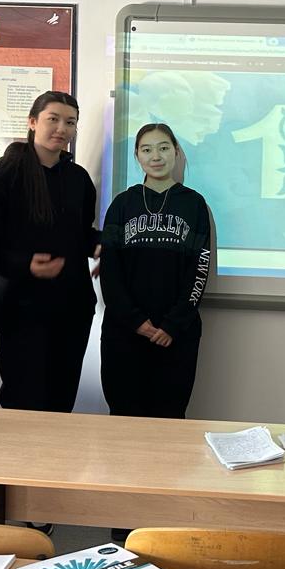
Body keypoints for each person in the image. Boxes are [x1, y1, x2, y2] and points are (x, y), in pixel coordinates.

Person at [0, 91, 99, 413]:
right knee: (24, 401)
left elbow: (80, 234)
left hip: (73, 307)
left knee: (61, 402)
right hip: (22, 309)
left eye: (70, 122)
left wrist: (101, 245)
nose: (62, 129)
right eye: (53, 119)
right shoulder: (4, 174)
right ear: (32, 122)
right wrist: (25, 265)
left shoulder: (78, 178)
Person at [100, 123, 211, 420]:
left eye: (163, 148)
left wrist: (172, 325)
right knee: (124, 417)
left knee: (169, 418)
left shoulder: (195, 204)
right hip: (124, 334)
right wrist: (136, 321)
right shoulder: (122, 204)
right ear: (137, 156)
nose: (156, 156)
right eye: (146, 149)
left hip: (177, 336)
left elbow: (200, 270)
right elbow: (110, 272)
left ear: (176, 152)